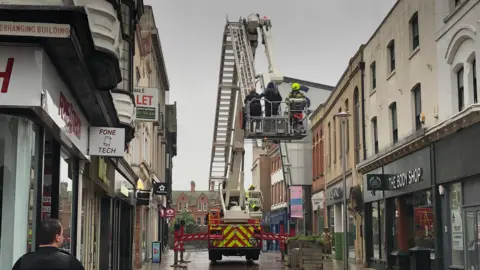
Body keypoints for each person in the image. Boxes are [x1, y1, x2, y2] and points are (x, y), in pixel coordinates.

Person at [12, 219, 84, 270]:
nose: (63, 237)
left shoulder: (23, 262)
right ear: (57, 237)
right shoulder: (70, 262)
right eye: (61, 234)